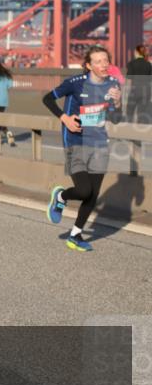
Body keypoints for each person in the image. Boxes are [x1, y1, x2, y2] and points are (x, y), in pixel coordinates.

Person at [43, 46, 122, 252]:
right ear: (88, 65)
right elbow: (47, 98)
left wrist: (118, 102)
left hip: (99, 143)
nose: (104, 65)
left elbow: (115, 118)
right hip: (75, 140)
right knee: (83, 190)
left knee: (93, 194)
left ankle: (75, 235)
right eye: (98, 61)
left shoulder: (113, 84)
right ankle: (61, 197)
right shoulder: (75, 83)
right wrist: (65, 118)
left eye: (106, 60)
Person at [125, 44, 152, 124]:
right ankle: (140, 129)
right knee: (142, 110)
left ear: (137, 52)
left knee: (130, 109)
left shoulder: (131, 63)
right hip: (146, 90)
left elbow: (129, 79)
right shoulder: (148, 64)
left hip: (134, 89)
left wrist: (127, 92)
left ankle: (129, 127)